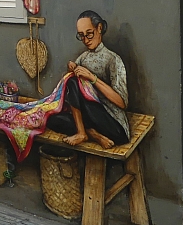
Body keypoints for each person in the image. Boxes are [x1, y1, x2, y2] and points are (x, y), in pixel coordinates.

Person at [46, 10, 130, 149]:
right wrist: (72, 70)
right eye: (81, 35)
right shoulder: (83, 57)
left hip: (113, 124)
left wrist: (91, 77)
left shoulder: (113, 59)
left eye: (89, 34)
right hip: (89, 119)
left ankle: (82, 132)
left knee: (73, 82)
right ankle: (93, 135)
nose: (85, 40)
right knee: (51, 119)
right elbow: (73, 93)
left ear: (99, 28)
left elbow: (122, 102)